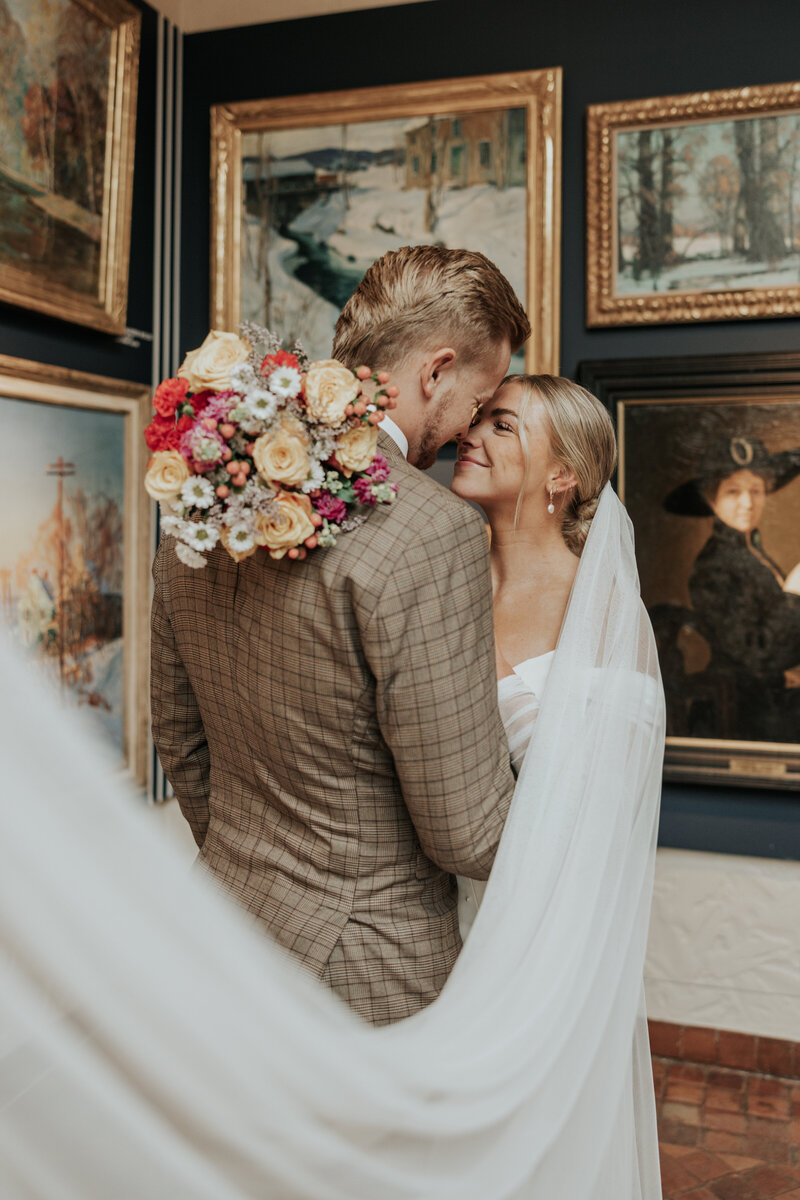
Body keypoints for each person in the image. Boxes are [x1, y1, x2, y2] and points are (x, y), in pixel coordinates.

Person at [0, 367, 665, 1198]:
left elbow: (603, 821)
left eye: (504, 427)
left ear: (563, 475)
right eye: (479, 417)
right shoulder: (432, 570)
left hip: (523, 919)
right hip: (406, 908)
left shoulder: (600, 615)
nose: (472, 435)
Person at [151, 245, 530, 1026]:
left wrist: (247, 865)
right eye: (480, 400)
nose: (468, 431)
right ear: (437, 372)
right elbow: (467, 831)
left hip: (218, 929)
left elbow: (180, 736)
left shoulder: (208, 489)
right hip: (366, 965)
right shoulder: (433, 533)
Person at [663, 436, 800, 742]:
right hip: (742, 711)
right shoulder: (715, 566)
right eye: (733, 492)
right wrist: (793, 595)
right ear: (711, 500)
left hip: (768, 697)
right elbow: (757, 655)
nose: (747, 503)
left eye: (756, 491)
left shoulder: (753, 554)